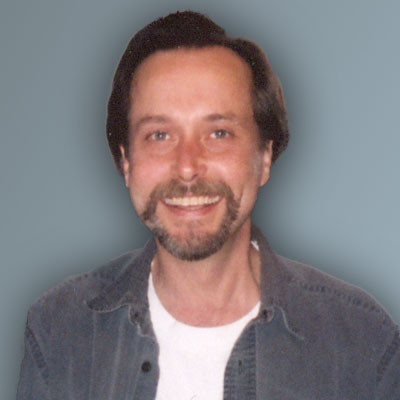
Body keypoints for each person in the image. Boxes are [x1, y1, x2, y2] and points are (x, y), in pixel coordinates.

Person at [17, 10, 399, 400]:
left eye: (219, 133)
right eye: (160, 135)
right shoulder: (60, 330)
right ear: (126, 162)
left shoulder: (360, 341)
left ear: (264, 157)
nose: (187, 167)